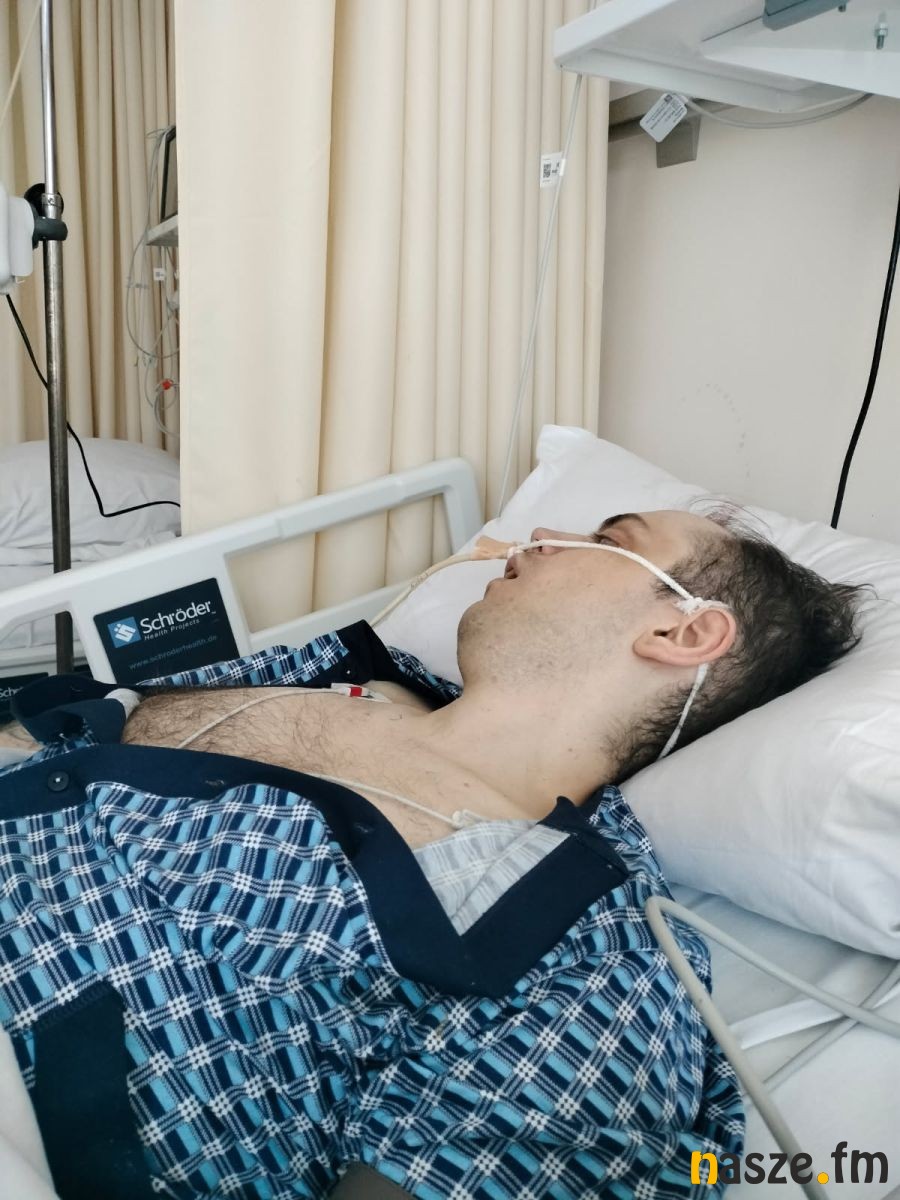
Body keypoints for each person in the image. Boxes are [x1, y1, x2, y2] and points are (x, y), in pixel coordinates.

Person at [0, 508, 867, 1200]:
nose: (541, 534)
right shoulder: (341, 672)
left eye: (610, 538)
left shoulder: (590, 966)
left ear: (682, 635)